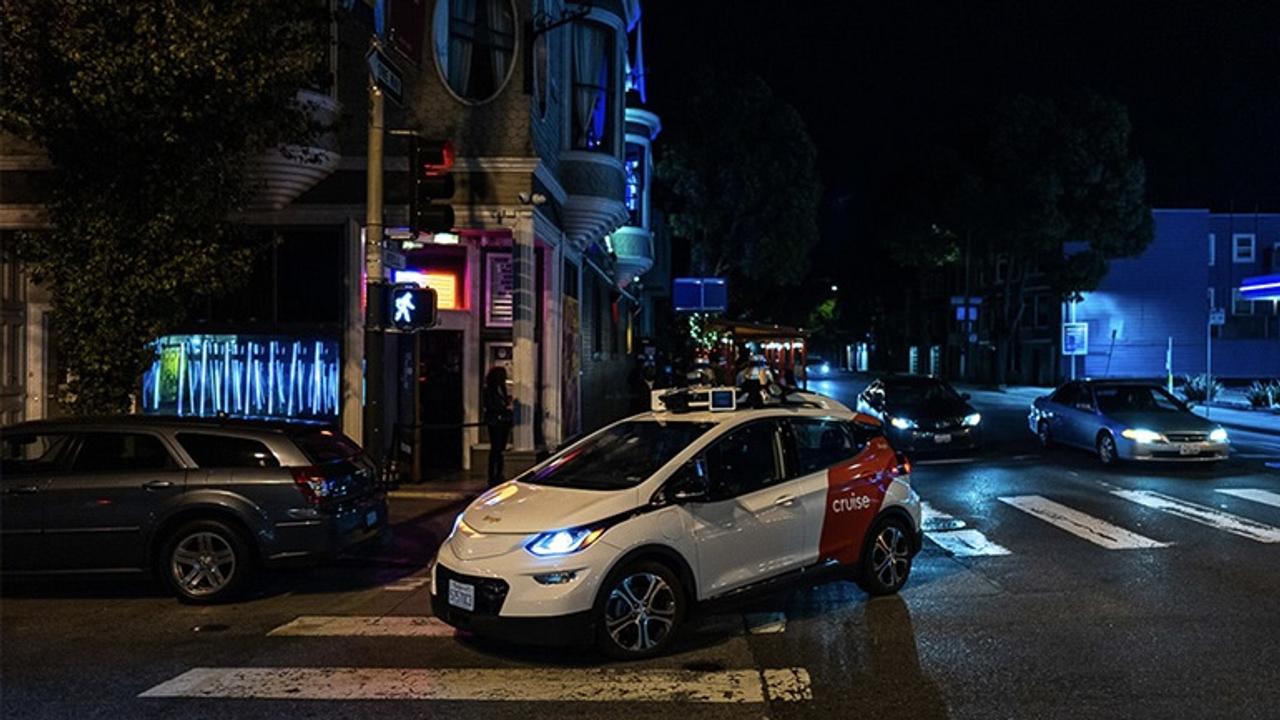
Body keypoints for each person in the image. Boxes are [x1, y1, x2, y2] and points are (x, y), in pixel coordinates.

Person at [483, 366, 513, 488]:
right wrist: (504, 408)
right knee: (495, 448)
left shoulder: (502, 389)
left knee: (501, 449)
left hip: (503, 422)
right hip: (495, 422)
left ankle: (499, 473)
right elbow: (490, 406)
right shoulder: (488, 390)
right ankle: (492, 476)